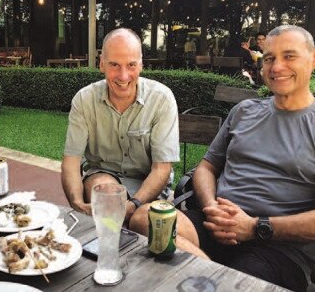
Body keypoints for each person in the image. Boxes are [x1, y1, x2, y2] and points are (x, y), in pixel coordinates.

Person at [131, 25, 315, 291]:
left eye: (289, 56)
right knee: (145, 218)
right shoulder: (245, 111)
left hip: (278, 249)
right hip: (214, 225)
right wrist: (212, 209)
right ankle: (215, 280)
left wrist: (255, 226)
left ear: (312, 60)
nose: (276, 67)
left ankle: (208, 280)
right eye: (269, 58)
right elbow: (206, 167)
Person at [61, 28, 179, 224]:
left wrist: (133, 204)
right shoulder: (84, 99)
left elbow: (161, 169)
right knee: (108, 197)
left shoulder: (161, 99)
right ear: (101, 64)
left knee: (137, 221)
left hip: (148, 183)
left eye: (131, 65)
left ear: (141, 65)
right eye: (114, 65)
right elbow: (71, 161)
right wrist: (76, 203)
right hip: (102, 177)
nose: (123, 76)